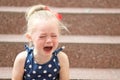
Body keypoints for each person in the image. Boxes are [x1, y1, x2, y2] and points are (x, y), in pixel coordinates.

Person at [12, 4, 69, 80]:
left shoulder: (61, 59)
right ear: (30, 37)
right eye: (42, 36)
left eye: (54, 36)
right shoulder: (22, 59)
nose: (49, 40)